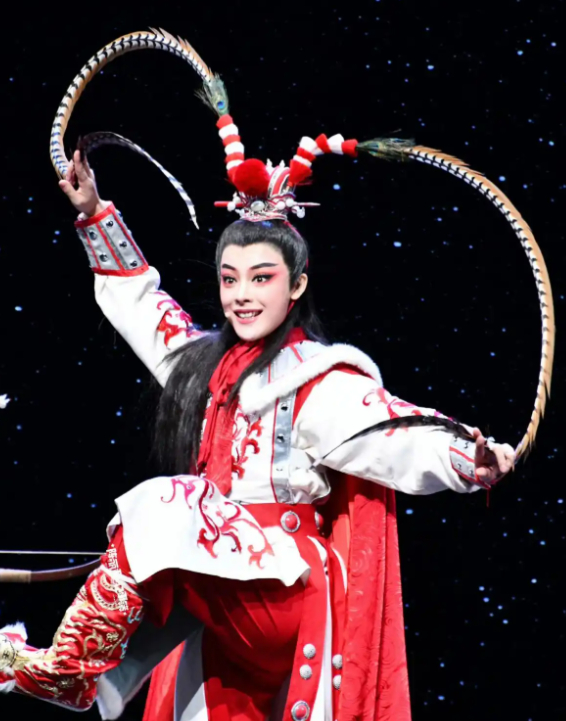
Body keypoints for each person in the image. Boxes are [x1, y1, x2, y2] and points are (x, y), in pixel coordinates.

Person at [0, 146, 515, 721]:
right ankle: (79, 668)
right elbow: (144, 306)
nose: (241, 294)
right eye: (230, 279)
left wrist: (468, 458)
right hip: (221, 592)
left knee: (173, 500)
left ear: (296, 286)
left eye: (261, 278)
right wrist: (96, 215)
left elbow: (394, 431)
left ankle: (68, 670)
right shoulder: (203, 366)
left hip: (282, 589)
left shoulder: (320, 378)